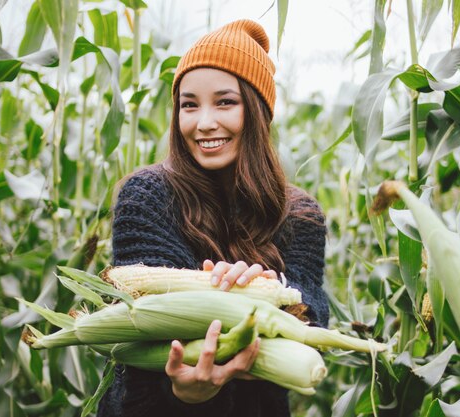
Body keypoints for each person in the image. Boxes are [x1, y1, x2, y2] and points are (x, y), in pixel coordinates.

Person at [97, 19, 329, 417]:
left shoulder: (300, 215)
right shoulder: (148, 197)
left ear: (257, 112)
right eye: (189, 105)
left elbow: (315, 313)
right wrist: (186, 394)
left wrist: (275, 290)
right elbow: (147, 336)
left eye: (225, 102)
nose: (204, 122)